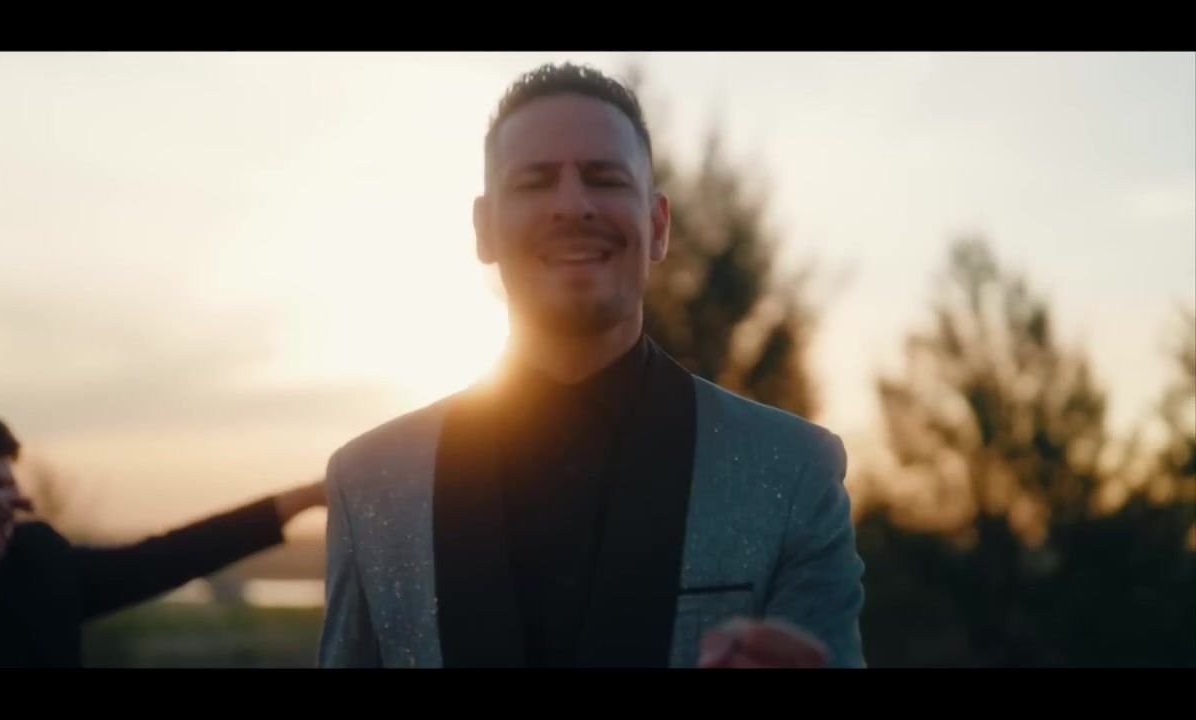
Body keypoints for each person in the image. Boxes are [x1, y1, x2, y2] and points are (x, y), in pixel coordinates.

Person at [317, 62, 865, 669]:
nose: (573, 205)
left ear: (658, 226)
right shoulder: (368, 483)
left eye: (605, 179)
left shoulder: (794, 470)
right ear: (484, 229)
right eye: (535, 182)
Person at [0, 401, 325, 668]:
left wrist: (306, 497)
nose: (6, 506)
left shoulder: (37, 562)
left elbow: (170, 557)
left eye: (10, 490)